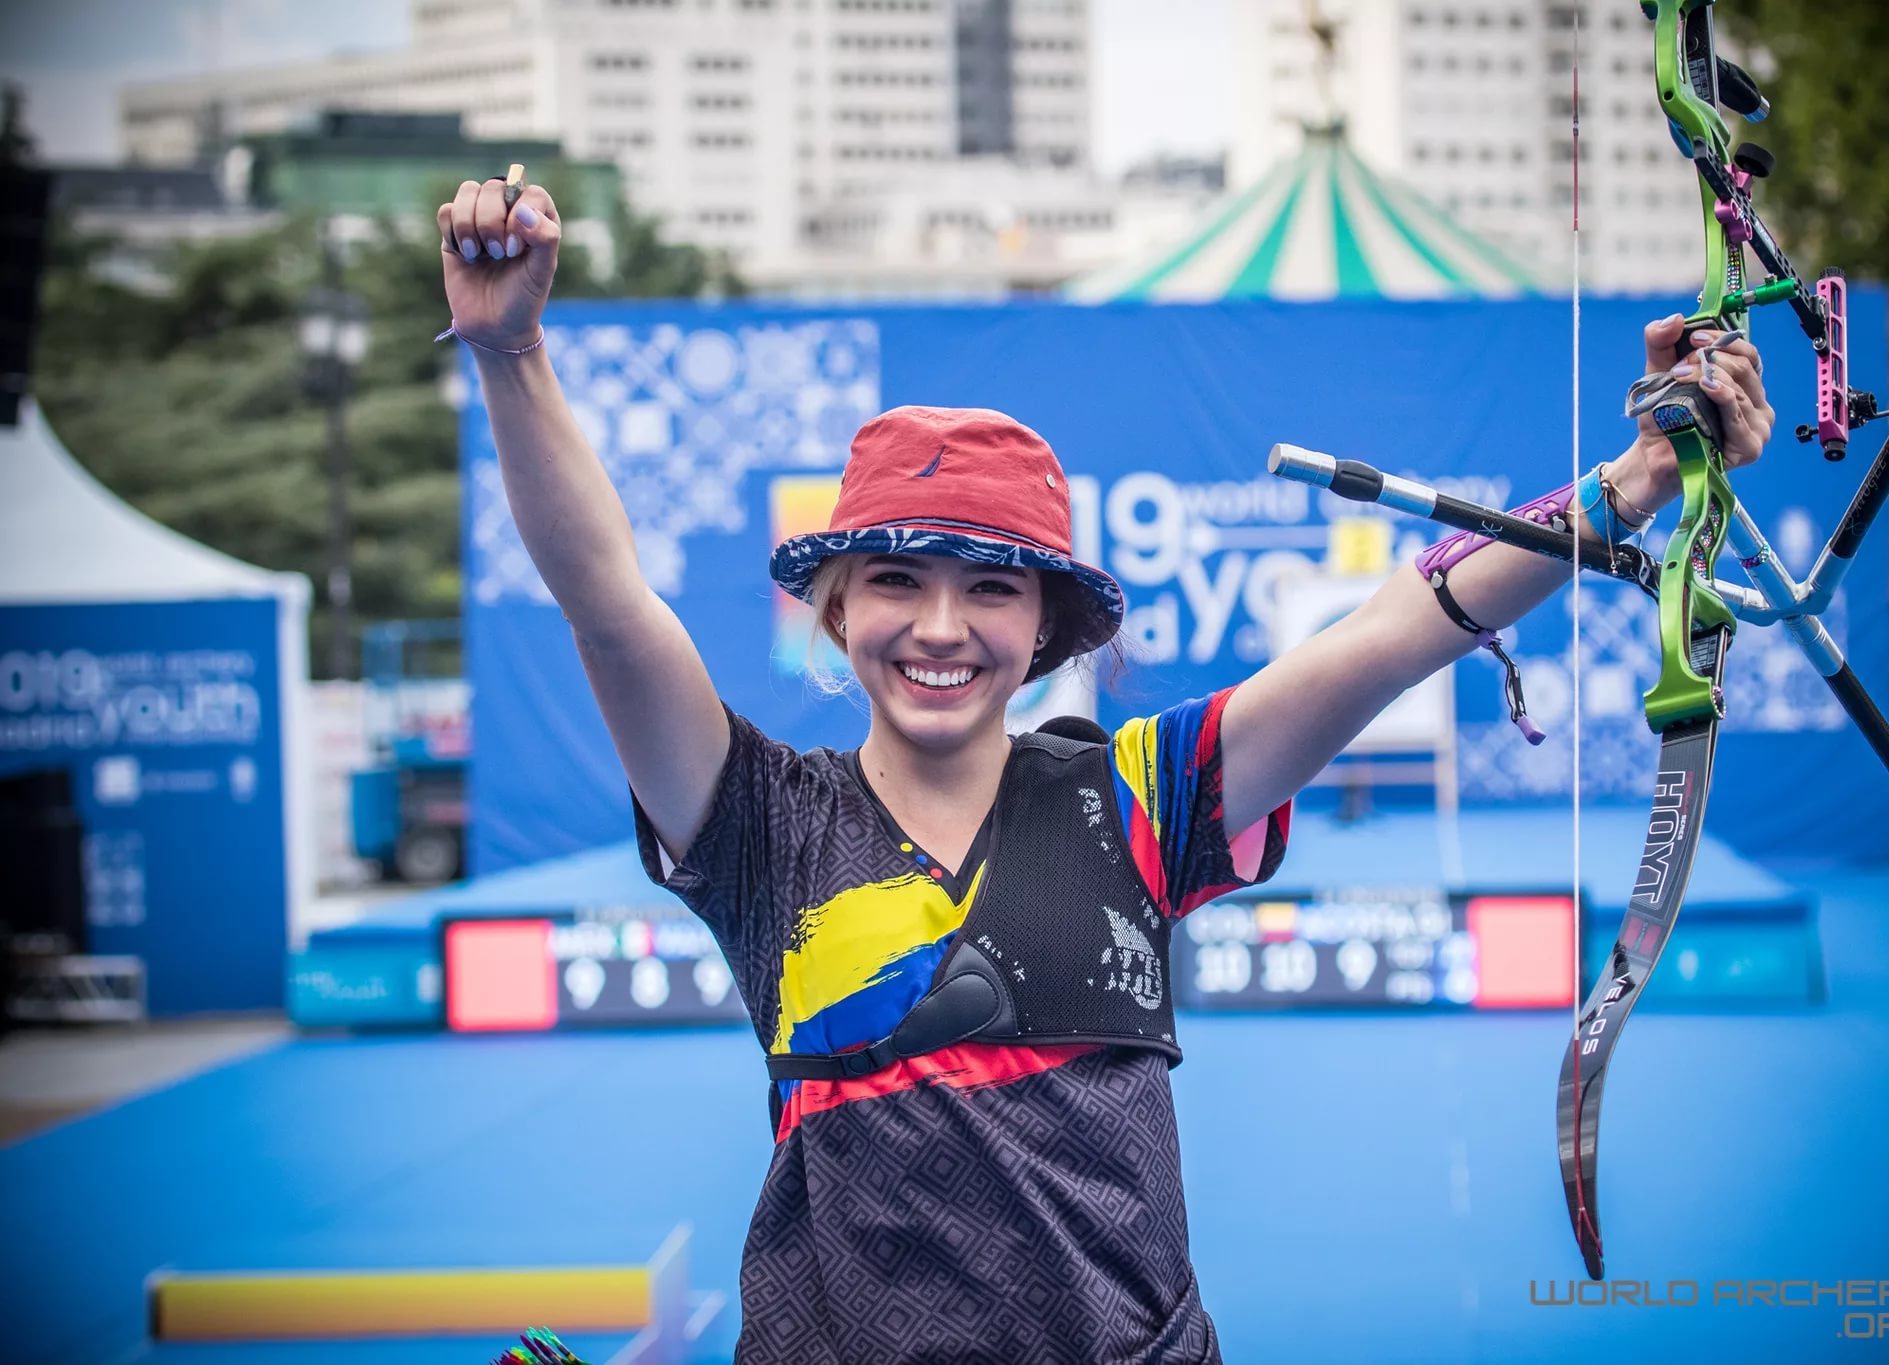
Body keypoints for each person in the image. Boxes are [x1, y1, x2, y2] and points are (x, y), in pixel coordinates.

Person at [436, 173, 1775, 1364]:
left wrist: (1638, 477)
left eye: (990, 589)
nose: (943, 628)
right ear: (835, 610)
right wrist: (511, 354)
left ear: (1046, 624)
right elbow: (610, 602)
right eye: (895, 581)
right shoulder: (760, 824)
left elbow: (1395, 629)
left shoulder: (1135, 795)